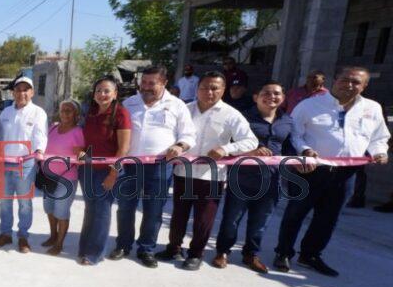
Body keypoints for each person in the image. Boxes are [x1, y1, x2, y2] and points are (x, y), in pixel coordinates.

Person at [275, 66, 390, 276]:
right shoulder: (309, 105)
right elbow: (294, 134)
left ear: (364, 86)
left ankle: (310, 255)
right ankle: (283, 253)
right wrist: (305, 150)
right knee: (296, 212)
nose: (349, 84)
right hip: (310, 169)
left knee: (328, 217)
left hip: (346, 172)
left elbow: (378, 138)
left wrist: (379, 152)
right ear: (334, 80)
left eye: (356, 82)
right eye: (344, 79)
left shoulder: (372, 108)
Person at [156, 72, 257, 270]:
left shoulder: (231, 114)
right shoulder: (185, 109)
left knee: (203, 218)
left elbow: (250, 141)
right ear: (197, 88)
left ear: (223, 90)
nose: (209, 92)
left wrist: (226, 149)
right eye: (204, 87)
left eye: (214, 88)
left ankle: (195, 254)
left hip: (211, 175)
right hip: (183, 172)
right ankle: (174, 248)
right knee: (178, 215)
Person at [111, 66, 196, 268]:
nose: (146, 87)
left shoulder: (177, 105)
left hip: (159, 167)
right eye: (144, 83)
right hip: (129, 165)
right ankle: (123, 245)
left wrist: (179, 145)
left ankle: (146, 249)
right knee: (125, 207)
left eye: (152, 83)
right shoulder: (129, 103)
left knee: (153, 210)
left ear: (164, 83)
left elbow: (189, 134)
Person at [212, 82, 294, 273]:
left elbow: (290, 147)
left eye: (276, 94)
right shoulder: (242, 117)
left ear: (283, 98)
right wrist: (250, 150)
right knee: (232, 218)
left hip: (272, 178)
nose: (271, 97)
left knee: (261, 221)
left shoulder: (288, 121)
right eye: (266, 92)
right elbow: (229, 142)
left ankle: (251, 254)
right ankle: (223, 252)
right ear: (256, 96)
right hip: (242, 177)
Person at [76, 77, 131, 265]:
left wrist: (113, 174)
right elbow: (85, 143)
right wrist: (81, 154)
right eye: (98, 90)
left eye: (107, 91)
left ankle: (94, 254)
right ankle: (84, 248)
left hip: (107, 171)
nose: (102, 94)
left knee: (101, 211)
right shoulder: (90, 113)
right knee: (90, 209)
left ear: (115, 94)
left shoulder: (121, 114)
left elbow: (123, 149)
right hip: (87, 170)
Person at [0, 76, 48, 254]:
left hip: (26, 164)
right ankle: (5, 233)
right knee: (5, 202)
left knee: (25, 203)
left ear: (31, 92)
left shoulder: (38, 112)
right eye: (18, 89)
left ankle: (23, 237)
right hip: (5, 163)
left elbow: (41, 136)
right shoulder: (6, 112)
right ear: (13, 92)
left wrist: (39, 151)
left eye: (26, 89)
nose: (22, 93)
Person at [39, 99, 85, 256]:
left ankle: (59, 244)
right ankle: (52, 236)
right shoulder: (52, 128)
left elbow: (81, 155)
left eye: (69, 110)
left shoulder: (77, 132)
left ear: (76, 114)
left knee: (61, 211)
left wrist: (84, 157)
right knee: (49, 209)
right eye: (62, 110)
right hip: (48, 178)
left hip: (66, 179)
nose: (64, 113)